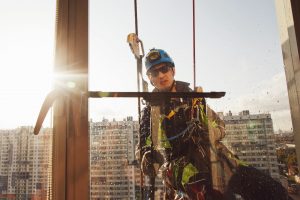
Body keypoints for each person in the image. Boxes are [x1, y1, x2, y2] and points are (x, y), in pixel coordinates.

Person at [138, 48, 292, 200]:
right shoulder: (150, 113)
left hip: (217, 159)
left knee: (272, 190)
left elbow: (220, 125)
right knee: (213, 195)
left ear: (173, 71)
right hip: (182, 169)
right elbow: (143, 152)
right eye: (154, 73)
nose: (161, 75)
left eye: (164, 69)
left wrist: (211, 133)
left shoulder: (193, 99)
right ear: (151, 79)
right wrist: (149, 157)